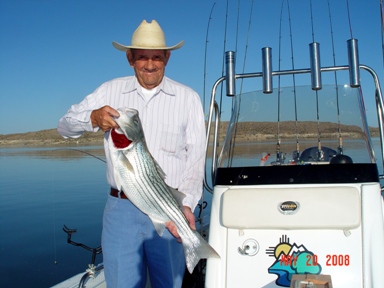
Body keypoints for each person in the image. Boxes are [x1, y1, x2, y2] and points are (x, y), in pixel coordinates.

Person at [57, 20, 206, 288]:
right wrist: (92, 117)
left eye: (157, 57)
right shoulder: (109, 89)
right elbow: (64, 126)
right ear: (130, 58)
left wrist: (187, 204)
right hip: (120, 210)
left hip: (168, 205)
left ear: (167, 57)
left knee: (168, 285)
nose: (150, 64)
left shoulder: (189, 98)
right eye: (142, 57)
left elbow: (195, 161)